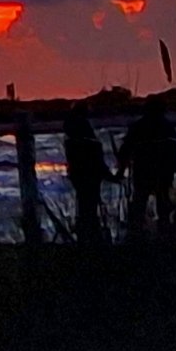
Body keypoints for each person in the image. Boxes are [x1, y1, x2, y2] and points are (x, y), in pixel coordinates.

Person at [118, 94, 176, 239]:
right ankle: (161, 235)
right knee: (159, 204)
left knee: (142, 203)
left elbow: (125, 150)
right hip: (159, 173)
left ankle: (137, 234)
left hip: (145, 172)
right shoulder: (167, 127)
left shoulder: (138, 127)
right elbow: (174, 152)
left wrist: (121, 170)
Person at [62, 104, 110, 246]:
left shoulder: (70, 128)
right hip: (89, 172)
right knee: (89, 204)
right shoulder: (83, 128)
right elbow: (94, 152)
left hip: (78, 173)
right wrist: (106, 173)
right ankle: (91, 234)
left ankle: (85, 233)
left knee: (84, 203)